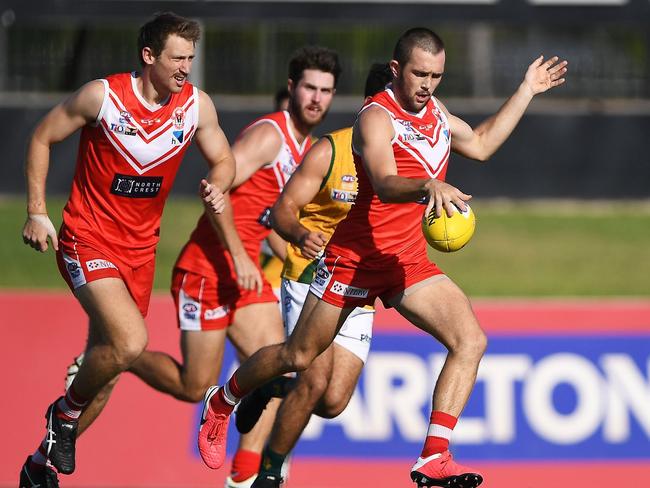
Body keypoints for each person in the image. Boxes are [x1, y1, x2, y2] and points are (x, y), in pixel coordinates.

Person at [197, 27, 567, 488]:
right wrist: (427, 185)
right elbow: (386, 180)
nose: (428, 84)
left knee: (470, 340)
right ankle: (222, 401)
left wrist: (526, 90)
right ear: (397, 70)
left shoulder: (436, 113)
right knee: (299, 355)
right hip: (352, 260)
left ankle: (433, 457)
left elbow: (483, 143)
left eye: (436, 75)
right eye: (419, 74)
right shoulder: (377, 117)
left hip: (403, 262)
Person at [19, 12, 234, 488]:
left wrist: (219, 185)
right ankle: (63, 415)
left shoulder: (196, 107)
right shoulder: (104, 96)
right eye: (178, 58)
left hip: (141, 254)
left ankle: (40, 466)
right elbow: (42, 136)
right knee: (130, 343)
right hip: (87, 239)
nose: (186, 68)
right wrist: (37, 211)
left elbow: (223, 159)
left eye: (191, 59)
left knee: (110, 368)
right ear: (149, 56)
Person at [125, 46, 340, 488]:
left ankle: (244, 475)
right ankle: (118, 356)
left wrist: (303, 257)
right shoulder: (270, 136)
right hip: (207, 271)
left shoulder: (308, 149)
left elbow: (266, 221)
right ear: (291, 88)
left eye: (326, 90)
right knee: (193, 385)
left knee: (279, 364)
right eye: (309, 88)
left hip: (245, 277)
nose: (316, 98)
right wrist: (242, 257)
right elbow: (215, 186)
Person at [231, 63, 392, 488]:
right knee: (313, 377)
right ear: (373, 108)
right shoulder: (330, 150)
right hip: (311, 277)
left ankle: (265, 387)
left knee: (333, 401)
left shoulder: (407, 163)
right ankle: (270, 473)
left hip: (359, 286)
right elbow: (281, 210)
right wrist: (301, 233)